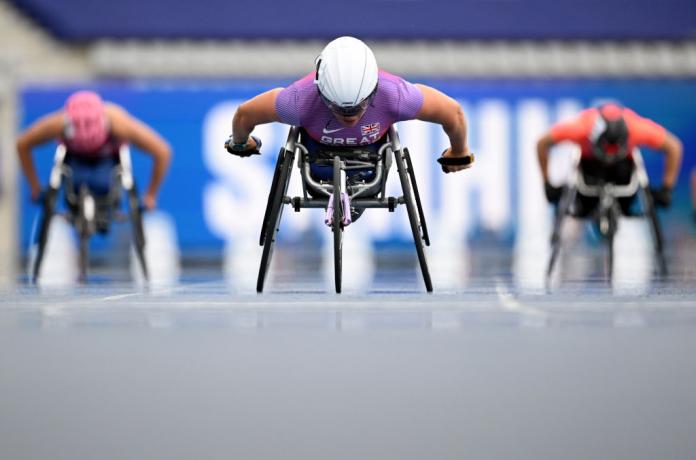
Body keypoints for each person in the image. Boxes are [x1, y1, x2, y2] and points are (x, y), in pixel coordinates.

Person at [225, 36, 474, 202]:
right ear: (321, 93)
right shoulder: (298, 101)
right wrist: (458, 153)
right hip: (316, 162)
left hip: (371, 162)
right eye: (339, 109)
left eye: (360, 107)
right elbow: (244, 114)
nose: (350, 118)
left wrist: (240, 144)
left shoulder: (396, 95)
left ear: (374, 90)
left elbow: (453, 113)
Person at [16, 90, 172, 212]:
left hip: (108, 159)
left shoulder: (119, 123)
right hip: (74, 159)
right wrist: (35, 186)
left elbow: (162, 151)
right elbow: (22, 144)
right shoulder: (57, 123)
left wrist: (151, 194)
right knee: (74, 186)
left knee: (102, 184)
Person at [536, 102, 683, 215]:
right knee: (584, 204)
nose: (609, 158)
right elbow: (542, 143)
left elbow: (674, 147)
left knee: (627, 193)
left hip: (623, 169)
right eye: (606, 152)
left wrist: (666, 188)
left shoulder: (636, 128)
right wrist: (547, 184)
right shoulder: (581, 128)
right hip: (590, 168)